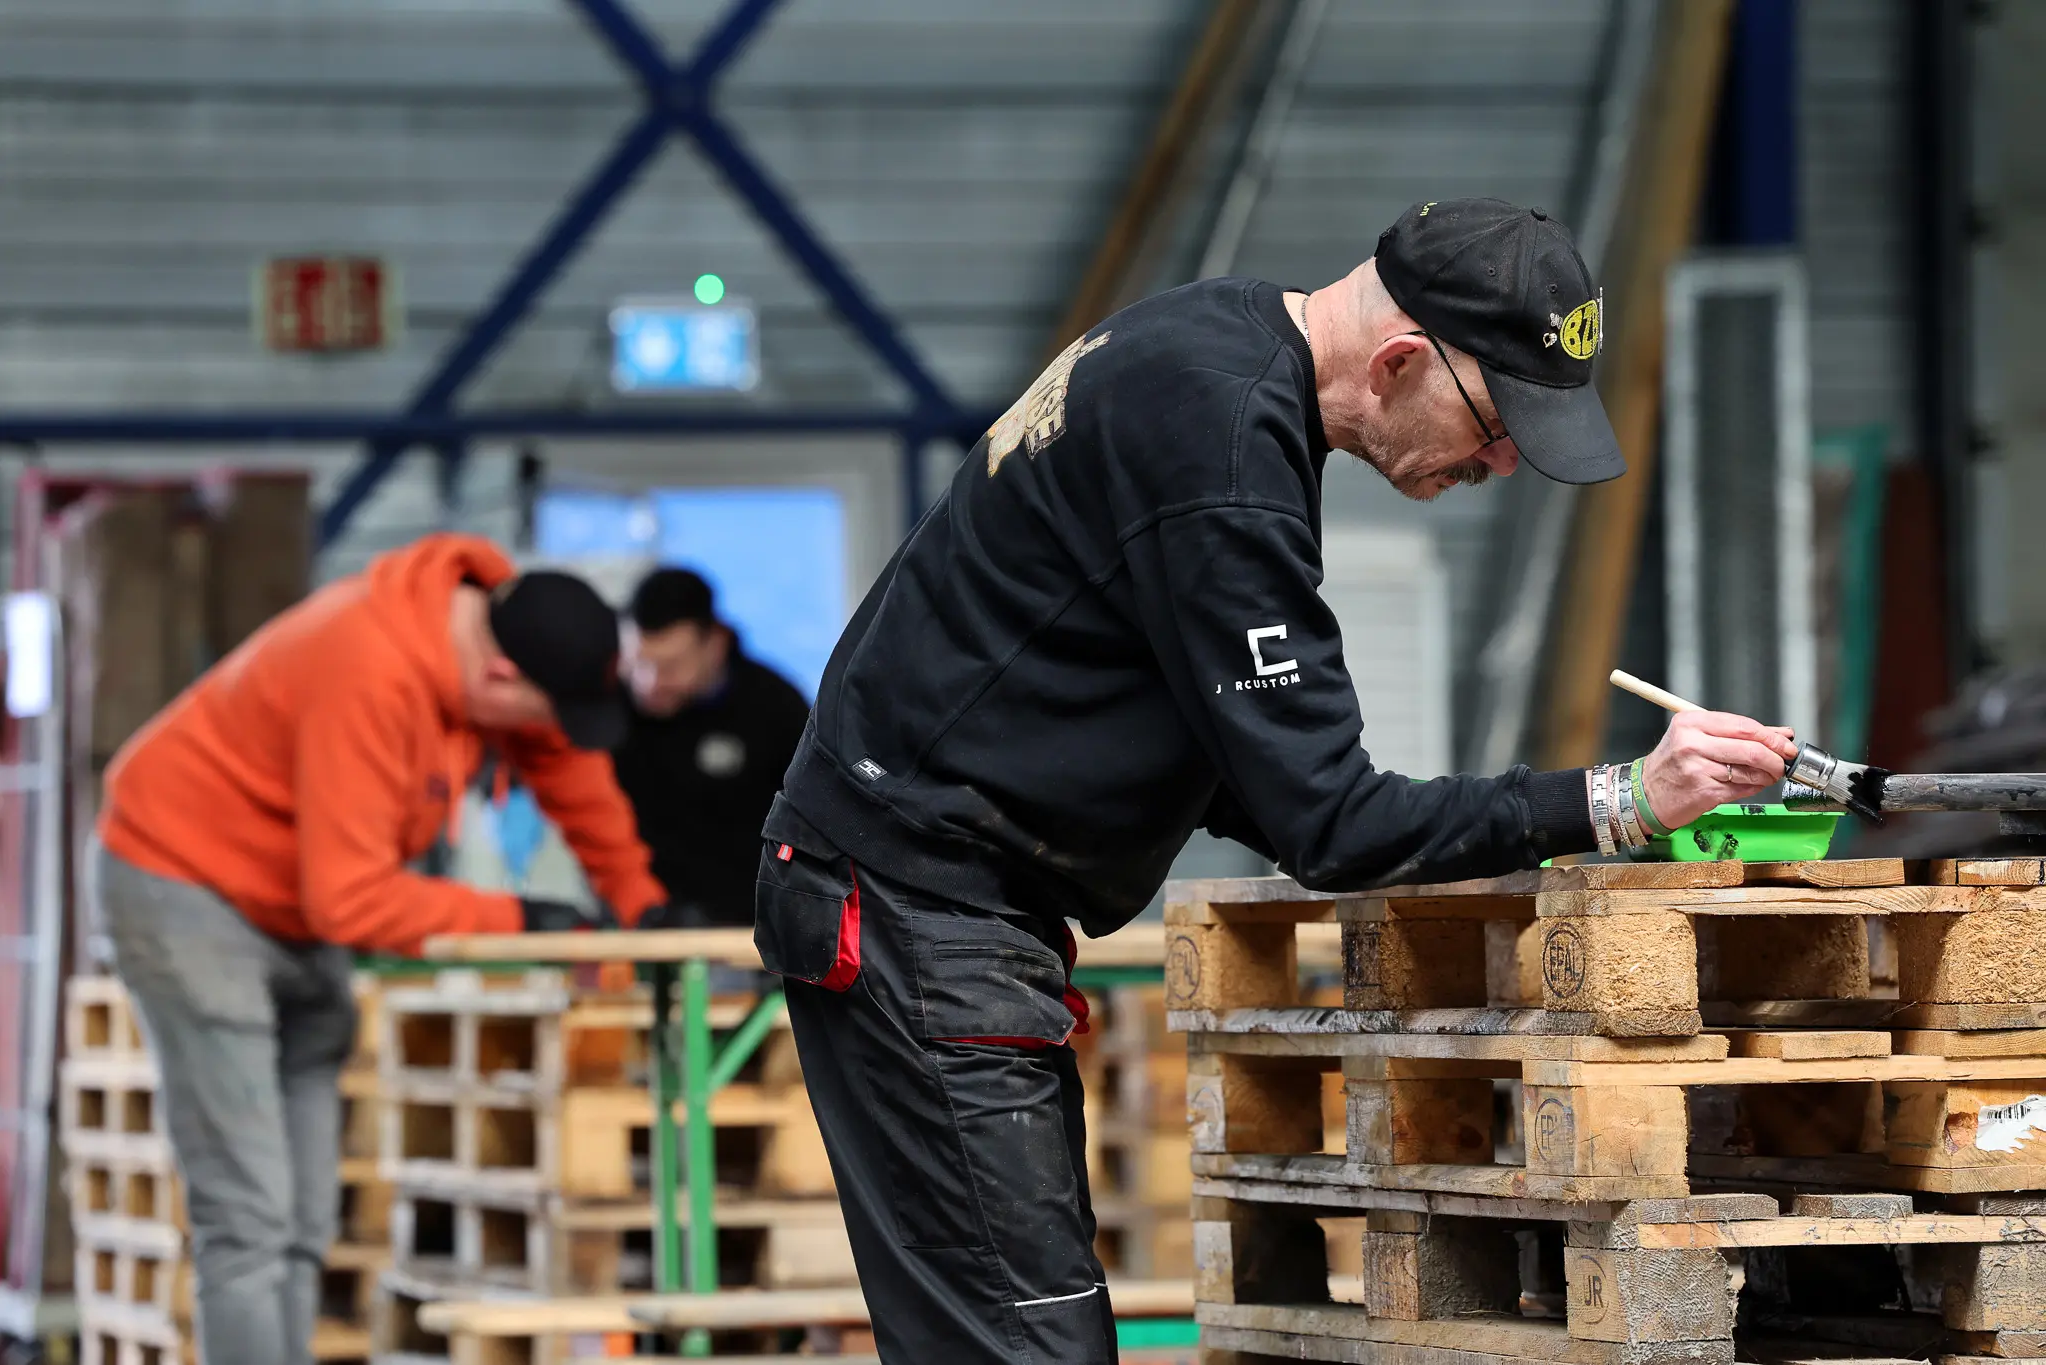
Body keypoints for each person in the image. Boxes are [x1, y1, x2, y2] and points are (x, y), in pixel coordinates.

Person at [754, 199, 1802, 1361]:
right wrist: (1618, 801)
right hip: (912, 900)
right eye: (1496, 425)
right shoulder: (1219, 456)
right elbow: (1329, 824)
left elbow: (1240, 763)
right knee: (1028, 1346)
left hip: (918, 883)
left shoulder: (1216, 339)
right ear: (1400, 363)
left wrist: (1441, 818)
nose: (1500, 464)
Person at [91, 533, 668, 1365]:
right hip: (183, 882)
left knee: (305, 1218)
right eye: (545, 712)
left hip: (293, 899)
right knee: (249, 1219)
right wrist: (522, 922)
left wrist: (642, 904)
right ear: (500, 678)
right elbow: (351, 898)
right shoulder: (366, 667)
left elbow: (568, 771)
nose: (551, 733)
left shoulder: (507, 634)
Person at [610, 567, 811, 927]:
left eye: (670, 666)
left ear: (715, 644)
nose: (650, 683)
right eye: (639, 663)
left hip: (749, 928)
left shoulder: (774, 708)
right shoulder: (610, 711)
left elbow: (809, 830)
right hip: (638, 921)